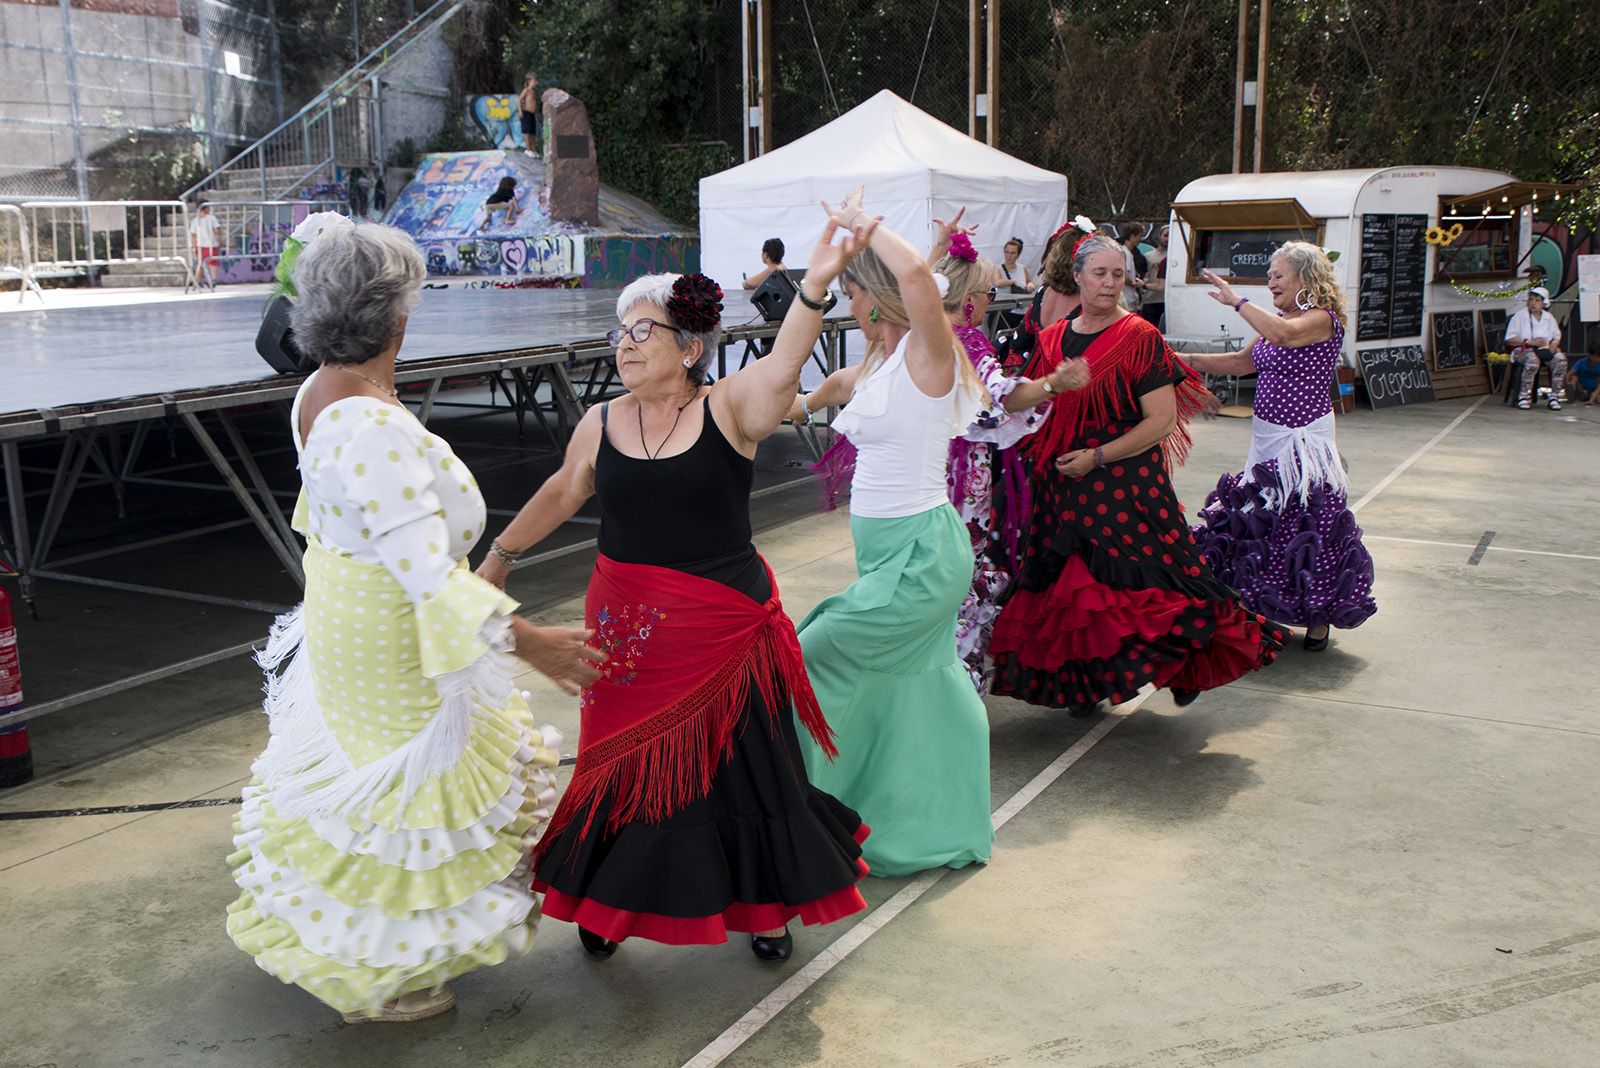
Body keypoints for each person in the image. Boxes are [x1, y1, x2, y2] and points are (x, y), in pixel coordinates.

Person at [226, 221, 605, 1024]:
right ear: (399, 317)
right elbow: (428, 577)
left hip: (352, 613)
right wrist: (534, 645)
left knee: (373, 775)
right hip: (391, 635)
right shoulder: (370, 428)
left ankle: (367, 949)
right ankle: (383, 973)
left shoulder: (321, 390)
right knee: (404, 795)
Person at [479, 222, 878, 962]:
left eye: (643, 331)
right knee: (620, 764)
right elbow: (564, 490)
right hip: (626, 630)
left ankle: (763, 907)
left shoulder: (730, 407)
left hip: (725, 626)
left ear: (690, 348)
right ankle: (611, 900)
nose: (625, 345)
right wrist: (500, 558)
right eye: (620, 333)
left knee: (745, 770)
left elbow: (785, 363)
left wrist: (816, 285)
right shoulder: (600, 420)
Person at [989, 234, 1284, 714]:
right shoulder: (1053, 338)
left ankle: (1183, 662)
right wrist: (1047, 395)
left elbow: (1161, 421)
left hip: (1125, 487)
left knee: (1153, 586)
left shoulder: (1139, 336)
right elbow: (1024, 404)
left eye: (1118, 274)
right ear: (1078, 277)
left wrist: (1097, 457)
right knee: (1075, 591)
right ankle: (1085, 685)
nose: (1110, 284)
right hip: (1062, 487)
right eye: (1100, 274)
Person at [791, 191, 995, 877]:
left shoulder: (927, 358)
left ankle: (809, 809)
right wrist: (793, 403)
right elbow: (837, 384)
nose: (847, 306)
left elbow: (915, 278)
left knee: (807, 655)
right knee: (915, 689)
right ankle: (917, 819)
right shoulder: (879, 364)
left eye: (851, 294)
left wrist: (862, 225)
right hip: (890, 558)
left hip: (920, 558)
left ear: (876, 300)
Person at [800, 215, 1087, 694]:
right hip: (943, 482)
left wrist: (1051, 384)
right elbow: (998, 393)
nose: (989, 302)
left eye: (853, 294)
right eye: (987, 294)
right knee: (925, 615)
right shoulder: (947, 340)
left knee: (916, 609)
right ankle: (946, 690)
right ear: (969, 298)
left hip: (934, 493)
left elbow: (915, 289)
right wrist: (1051, 385)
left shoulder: (934, 340)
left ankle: (951, 686)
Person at [1187, 242, 1377, 651]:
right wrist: (1181, 358)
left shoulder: (1321, 320)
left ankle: (1317, 617)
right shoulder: (1277, 321)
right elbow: (1241, 363)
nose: (1271, 282)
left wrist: (1237, 302)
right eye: (1269, 276)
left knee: (1308, 525)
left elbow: (1284, 336)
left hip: (1303, 444)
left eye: (1278, 275)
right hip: (1267, 441)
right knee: (1264, 522)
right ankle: (1259, 602)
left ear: (1305, 278)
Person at [1506, 286, 1566, 410]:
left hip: (1544, 350)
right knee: (1532, 360)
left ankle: (1554, 396)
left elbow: (1556, 335)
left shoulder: (1548, 317)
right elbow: (1510, 338)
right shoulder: (1520, 316)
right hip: (1522, 350)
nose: (1533, 303)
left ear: (1543, 303)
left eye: (1537, 300)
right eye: (1531, 299)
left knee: (1560, 360)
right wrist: (1529, 342)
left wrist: (1554, 343)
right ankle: (1523, 396)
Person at [1141, 224, 1169, 328]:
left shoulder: (1172, 256)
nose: (1167, 239)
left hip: (1165, 300)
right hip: (1150, 299)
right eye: (1165, 235)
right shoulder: (1148, 256)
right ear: (1159, 236)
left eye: (1170, 236)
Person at [188, 201, 220, 291]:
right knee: (212, 263)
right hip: (211, 244)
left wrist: (194, 245)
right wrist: (219, 238)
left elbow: (193, 234)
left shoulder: (195, 220)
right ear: (206, 208)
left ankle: (196, 281)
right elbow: (217, 230)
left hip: (200, 245)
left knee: (200, 264)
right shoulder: (212, 218)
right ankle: (213, 279)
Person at [1119, 222, 1148, 311]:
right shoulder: (1126, 253)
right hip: (1128, 300)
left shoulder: (1124, 252)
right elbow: (1124, 276)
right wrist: (1135, 284)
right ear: (1132, 236)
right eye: (1139, 236)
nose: (1141, 239)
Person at [1564, 336, 1600, 405]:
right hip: (1581, 389)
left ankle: (1592, 399)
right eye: (1595, 357)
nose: (1597, 359)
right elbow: (1570, 373)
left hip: (1594, 390)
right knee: (1574, 377)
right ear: (1590, 355)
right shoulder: (1581, 362)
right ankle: (1571, 395)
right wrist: (1567, 383)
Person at [519, 72, 541, 157]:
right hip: (526, 113)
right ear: (529, 81)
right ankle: (528, 149)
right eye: (535, 81)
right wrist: (520, 111)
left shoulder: (534, 92)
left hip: (532, 114)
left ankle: (533, 149)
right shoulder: (526, 90)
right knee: (527, 132)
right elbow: (519, 100)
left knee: (532, 132)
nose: (536, 83)